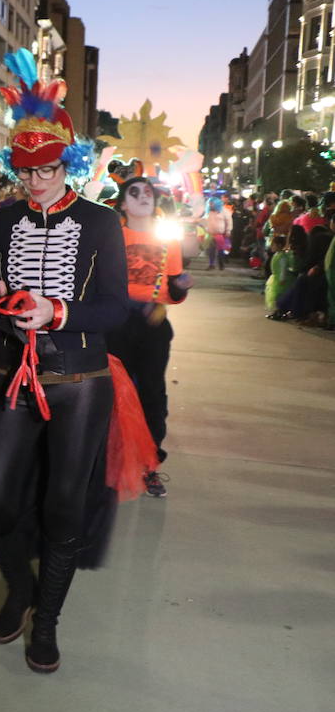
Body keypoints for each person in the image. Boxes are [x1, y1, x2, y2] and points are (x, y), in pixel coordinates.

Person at [0, 50, 129, 674]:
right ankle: (19, 589)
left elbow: (115, 310)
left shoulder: (101, 223)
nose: (35, 182)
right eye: (25, 171)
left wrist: (56, 312)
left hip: (79, 379)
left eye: (47, 169)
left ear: (68, 164)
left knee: (63, 508)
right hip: (9, 378)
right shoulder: (3, 221)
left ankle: (47, 621)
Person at [107, 178, 193, 498]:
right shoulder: (112, 235)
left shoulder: (166, 238)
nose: (143, 197)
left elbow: (171, 287)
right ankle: (111, 461)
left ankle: (149, 464)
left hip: (152, 328)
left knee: (153, 397)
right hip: (115, 324)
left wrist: (180, 288)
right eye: (135, 193)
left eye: (148, 193)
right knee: (113, 395)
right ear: (123, 205)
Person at [204, 196, 232, 270]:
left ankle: (221, 264)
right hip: (210, 234)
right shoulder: (208, 211)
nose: (210, 205)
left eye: (212, 204)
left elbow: (229, 221)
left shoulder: (224, 211)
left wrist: (228, 230)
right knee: (211, 250)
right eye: (209, 204)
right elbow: (204, 221)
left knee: (221, 250)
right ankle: (211, 264)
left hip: (220, 234)